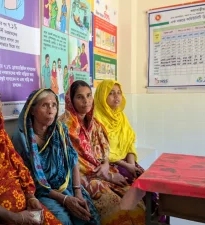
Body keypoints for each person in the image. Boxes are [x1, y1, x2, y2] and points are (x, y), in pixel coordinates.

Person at [0, 75, 62, 225]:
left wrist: (30, 197)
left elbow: (19, 167)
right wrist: (14, 218)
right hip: (0, 217)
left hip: (25, 208)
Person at [59, 81, 146, 225]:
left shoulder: (94, 123)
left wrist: (106, 164)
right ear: (70, 100)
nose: (86, 101)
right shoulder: (65, 127)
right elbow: (75, 164)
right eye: (80, 97)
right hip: (82, 178)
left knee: (135, 200)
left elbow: (104, 151)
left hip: (103, 172)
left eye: (88, 96)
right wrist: (109, 175)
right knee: (117, 208)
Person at [11, 89, 100, 225]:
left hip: (68, 186)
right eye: (45, 105)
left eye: (54, 105)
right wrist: (64, 200)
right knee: (63, 220)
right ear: (32, 110)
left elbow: (73, 160)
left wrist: (77, 192)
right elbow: (29, 180)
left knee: (87, 215)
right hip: (42, 192)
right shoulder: (21, 139)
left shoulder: (60, 130)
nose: (51, 110)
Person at [93, 79, 144, 183]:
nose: (116, 96)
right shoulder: (95, 119)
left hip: (127, 162)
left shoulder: (121, 117)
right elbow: (101, 153)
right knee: (130, 187)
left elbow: (129, 144)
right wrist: (126, 166)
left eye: (119, 93)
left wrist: (132, 165)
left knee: (147, 184)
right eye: (111, 93)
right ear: (102, 96)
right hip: (107, 164)